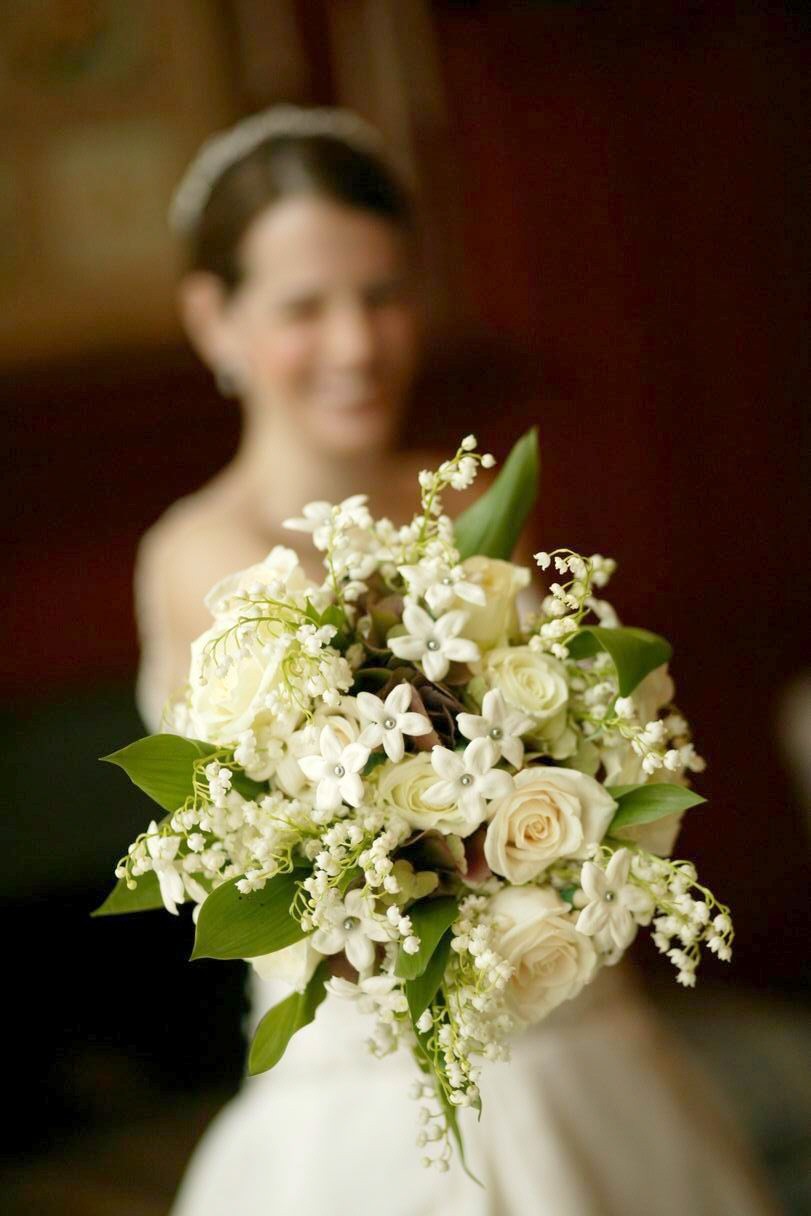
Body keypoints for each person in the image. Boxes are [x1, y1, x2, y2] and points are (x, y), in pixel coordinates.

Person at [135, 106, 776, 1215]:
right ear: (214, 318)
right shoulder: (206, 557)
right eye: (305, 306)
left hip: (578, 1025)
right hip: (377, 1089)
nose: (356, 342)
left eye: (382, 294)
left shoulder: (475, 499)